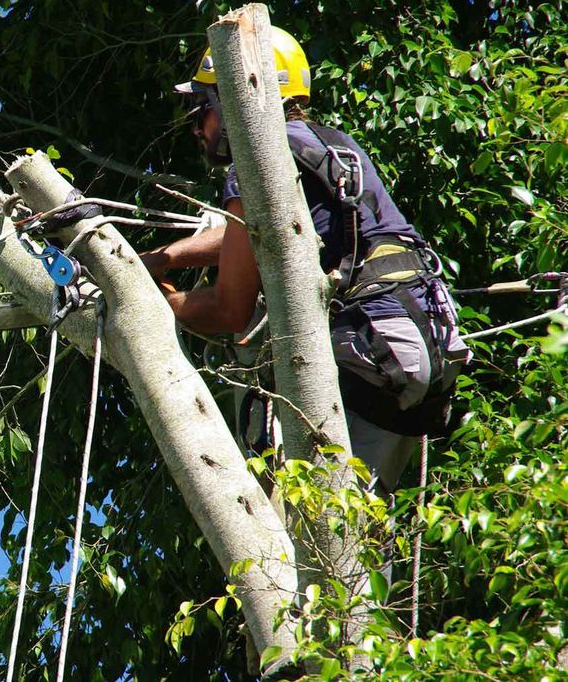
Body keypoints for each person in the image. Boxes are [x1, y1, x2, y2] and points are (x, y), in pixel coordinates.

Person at [141, 27, 470, 498]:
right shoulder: (332, 144)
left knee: (317, 538)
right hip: (423, 344)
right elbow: (257, 236)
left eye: (203, 109)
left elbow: (227, 310)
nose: (199, 127)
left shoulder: (254, 167)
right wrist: (167, 256)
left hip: (370, 353)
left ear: (235, 101)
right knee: (358, 538)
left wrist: (151, 294)